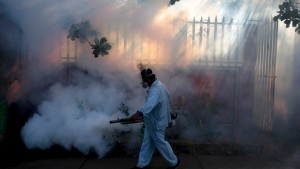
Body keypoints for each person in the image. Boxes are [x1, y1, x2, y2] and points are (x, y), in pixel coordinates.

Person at [129, 68, 181, 169]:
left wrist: (138, 113)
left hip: (156, 123)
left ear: (148, 79)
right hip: (152, 121)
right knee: (147, 143)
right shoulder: (160, 85)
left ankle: (174, 162)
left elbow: (150, 104)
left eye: (143, 79)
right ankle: (142, 165)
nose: (143, 82)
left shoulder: (155, 90)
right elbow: (167, 96)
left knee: (161, 143)